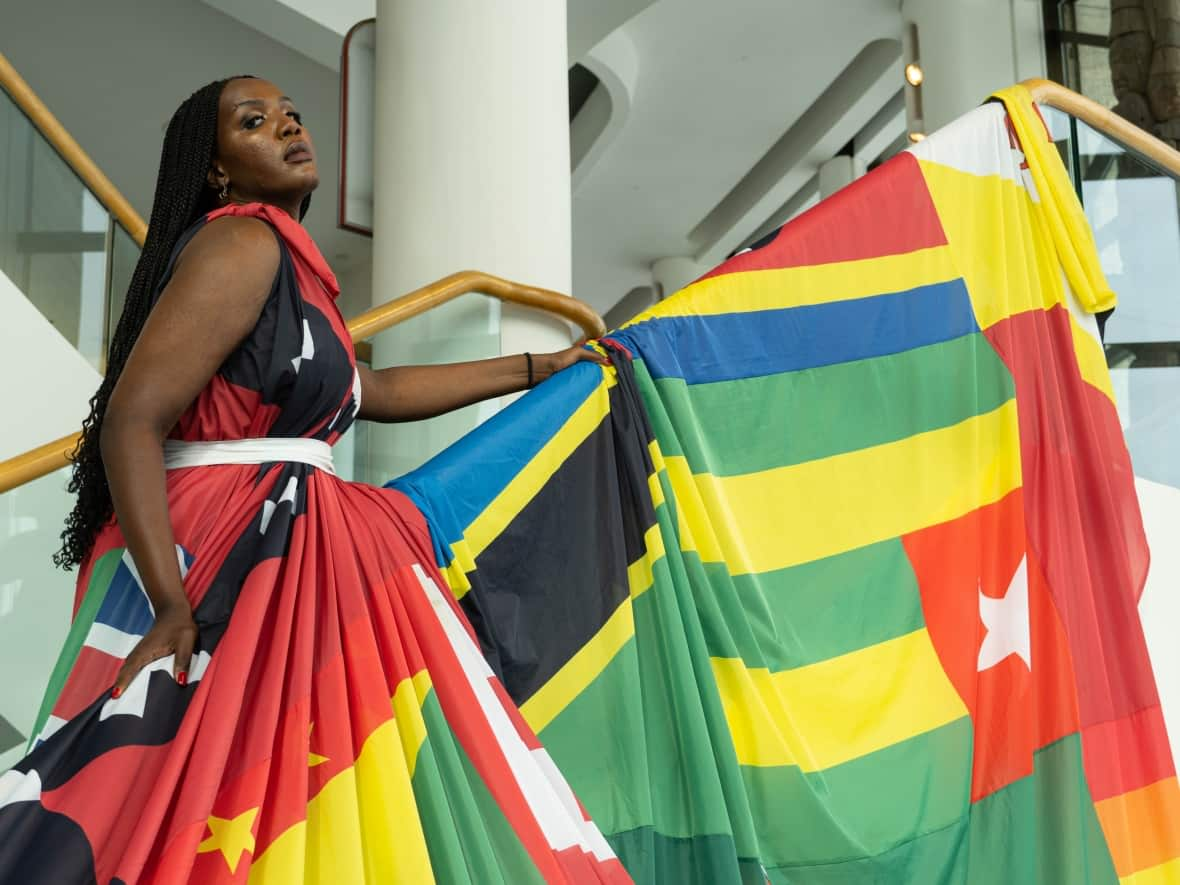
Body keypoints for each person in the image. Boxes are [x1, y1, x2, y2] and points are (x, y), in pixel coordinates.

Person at [0, 76, 628, 884]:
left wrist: (540, 367)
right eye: (253, 122)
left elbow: (379, 392)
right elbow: (132, 418)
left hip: (281, 549)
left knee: (237, 787)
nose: (287, 124)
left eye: (289, 114)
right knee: (181, 789)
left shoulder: (293, 273)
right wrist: (169, 604)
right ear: (217, 170)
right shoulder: (241, 242)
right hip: (224, 552)